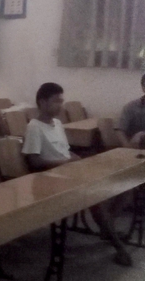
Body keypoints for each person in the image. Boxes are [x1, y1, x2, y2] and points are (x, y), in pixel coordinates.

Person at [23, 82, 132, 266]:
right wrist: (65, 163)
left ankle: (108, 226)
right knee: (95, 196)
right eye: (56, 101)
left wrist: (76, 159)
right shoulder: (34, 127)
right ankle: (117, 245)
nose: (60, 105)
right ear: (42, 102)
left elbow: (65, 151)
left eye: (61, 101)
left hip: (70, 171)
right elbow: (34, 162)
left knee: (124, 184)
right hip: (52, 178)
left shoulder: (57, 123)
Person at [116, 73, 145, 148]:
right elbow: (120, 130)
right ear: (143, 88)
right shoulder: (130, 107)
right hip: (135, 147)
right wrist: (127, 148)